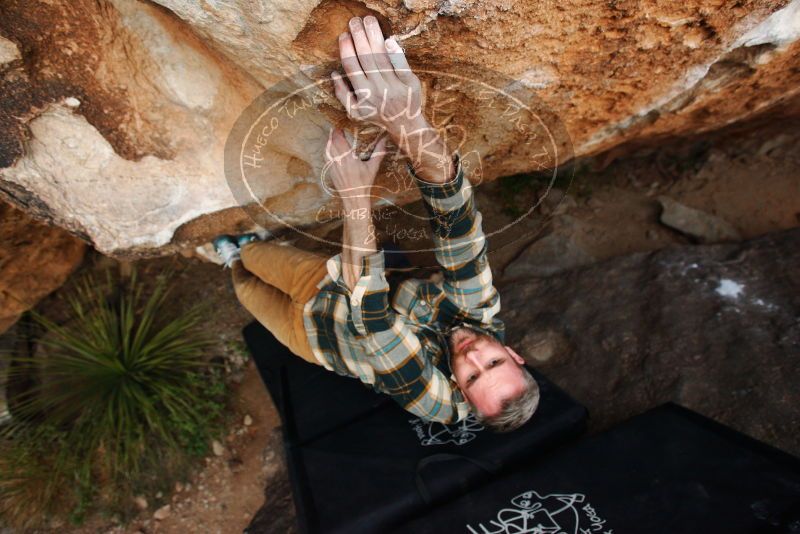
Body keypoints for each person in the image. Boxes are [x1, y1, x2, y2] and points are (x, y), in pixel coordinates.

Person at [214, 16, 539, 432]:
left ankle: (230, 261)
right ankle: (242, 248)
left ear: (463, 393)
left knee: (246, 291)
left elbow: (372, 319)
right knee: (257, 255)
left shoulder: (436, 402)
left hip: (315, 340)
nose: (473, 354)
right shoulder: (481, 315)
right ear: (514, 355)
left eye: (473, 376)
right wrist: (408, 123)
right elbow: (458, 226)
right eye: (494, 361)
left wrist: (355, 196)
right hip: (325, 280)